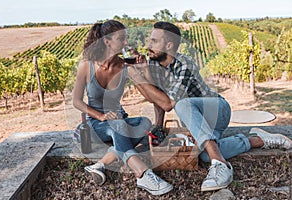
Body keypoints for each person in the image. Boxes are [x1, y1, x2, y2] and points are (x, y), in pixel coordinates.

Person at [128, 21, 292, 192]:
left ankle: (220, 164)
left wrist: (137, 78)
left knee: (181, 104)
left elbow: (167, 104)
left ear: (169, 45)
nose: (148, 45)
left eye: (154, 41)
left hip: (217, 111)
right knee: (203, 154)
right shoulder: (153, 65)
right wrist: (158, 126)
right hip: (197, 121)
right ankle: (258, 140)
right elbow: (157, 96)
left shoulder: (185, 64)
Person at [72, 20, 173, 195]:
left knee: (144, 122)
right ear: (107, 41)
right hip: (96, 124)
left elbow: (150, 97)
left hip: (120, 120)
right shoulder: (86, 65)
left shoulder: (124, 66)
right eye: (122, 38)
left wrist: (144, 71)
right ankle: (142, 173)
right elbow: (77, 101)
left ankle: (101, 164)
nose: (126, 43)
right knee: (119, 125)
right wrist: (101, 116)